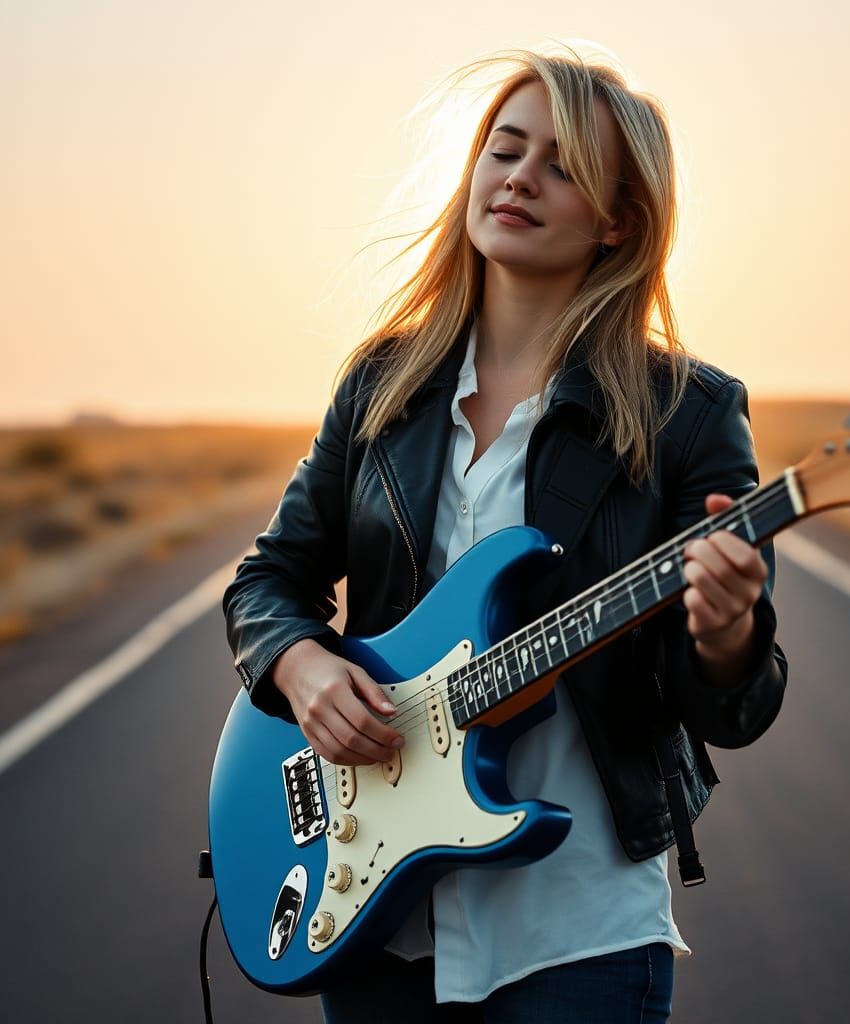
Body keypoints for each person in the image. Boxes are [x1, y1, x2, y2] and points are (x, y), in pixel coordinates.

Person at [223, 45, 787, 1023]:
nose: (520, 176)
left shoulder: (688, 411)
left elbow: (732, 706)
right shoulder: (383, 385)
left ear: (618, 217)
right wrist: (303, 672)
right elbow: (268, 582)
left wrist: (727, 631)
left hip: (578, 926)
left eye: (561, 163)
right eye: (505, 148)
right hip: (372, 915)